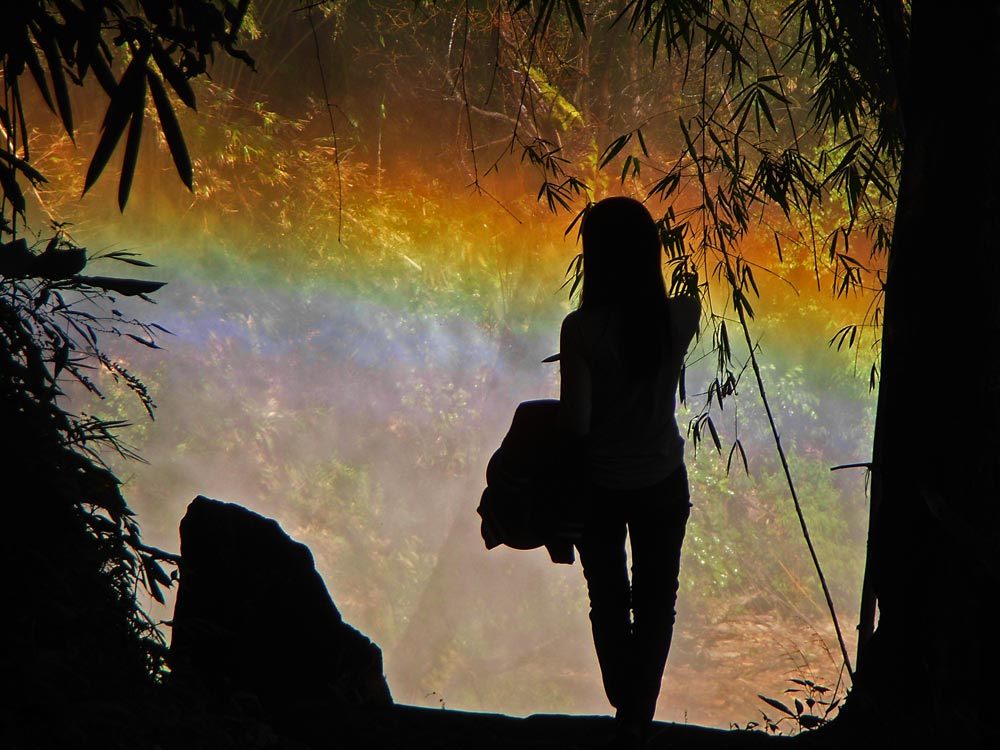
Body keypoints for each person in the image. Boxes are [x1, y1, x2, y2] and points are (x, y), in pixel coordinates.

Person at [557, 196, 700, 748]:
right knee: (658, 599)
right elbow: (680, 298)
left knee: (609, 599)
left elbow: (575, 425)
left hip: (599, 488)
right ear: (650, 254)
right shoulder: (681, 316)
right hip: (662, 483)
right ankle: (639, 712)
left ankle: (626, 704)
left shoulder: (582, 331)